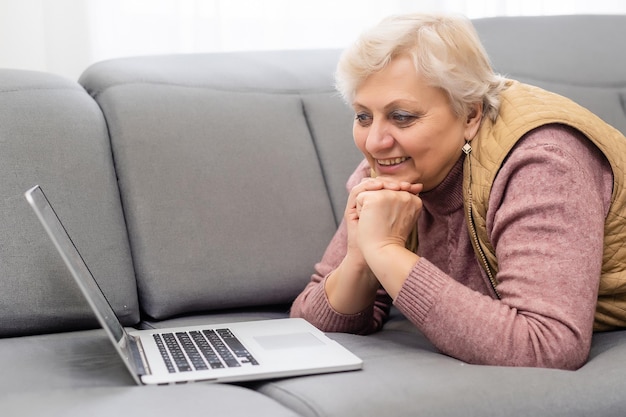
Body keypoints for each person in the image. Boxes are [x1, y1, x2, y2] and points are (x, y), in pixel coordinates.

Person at [289, 12, 626, 370]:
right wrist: (360, 257)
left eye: (402, 116)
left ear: (469, 115)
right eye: (363, 116)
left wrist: (385, 252)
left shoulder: (542, 163)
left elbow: (546, 347)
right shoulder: (391, 165)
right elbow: (309, 321)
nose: (374, 142)